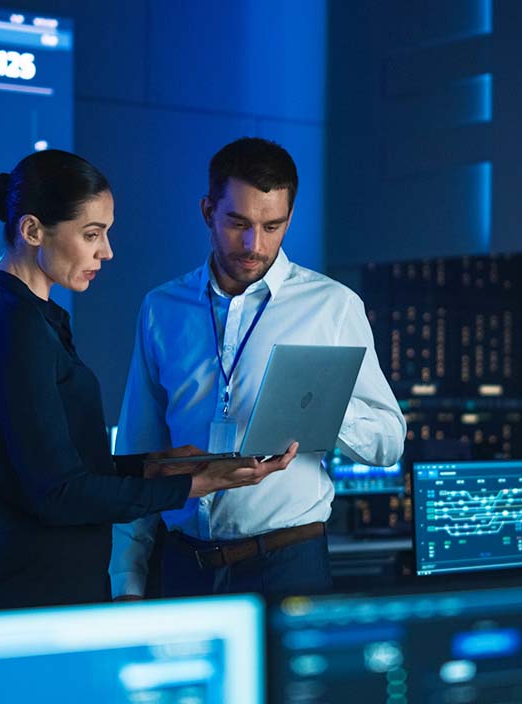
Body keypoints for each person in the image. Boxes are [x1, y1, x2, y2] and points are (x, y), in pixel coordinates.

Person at [0, 149, 295, 610]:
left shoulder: (29, 317)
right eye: (92, 234)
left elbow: (62, 467)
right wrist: (194, 486)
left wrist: (156, 465)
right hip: (38, 589)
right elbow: (58, 492)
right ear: (32, 230)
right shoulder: (13, 326)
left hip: (54, 579)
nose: (106, 251)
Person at [110, 137, 405, 600]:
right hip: (183, 566)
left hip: (290, 561)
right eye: (238, 223)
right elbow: (139, 447)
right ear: (207, 211)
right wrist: (125, 580)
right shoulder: (161, 308)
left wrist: (322, 407)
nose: (254, 244)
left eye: (273, 226)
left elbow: (389, 442)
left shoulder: (333, 306)